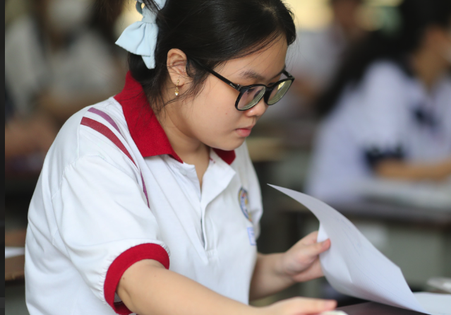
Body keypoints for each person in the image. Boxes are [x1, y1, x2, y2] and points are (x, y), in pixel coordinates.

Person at [24, 1, 337, 314]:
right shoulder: (96, 145)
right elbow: (139, 283)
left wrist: (283, 268)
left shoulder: (227, 147)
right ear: (179, 68)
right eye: (247, 87)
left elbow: (214, 277)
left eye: (270, 88)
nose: (259, 107)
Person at [306, 0, 451, 202]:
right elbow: (388, 170)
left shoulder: (449, 90)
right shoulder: (385, 80)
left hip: (400, 208)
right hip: (346, 209)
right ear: (435, 36)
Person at [5, 0, 127, 125]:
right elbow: (43, 109)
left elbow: (116, 88)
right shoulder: (20, 37)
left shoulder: (82, 38)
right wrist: (102, 101)